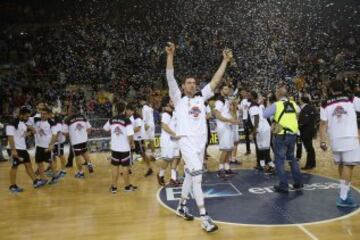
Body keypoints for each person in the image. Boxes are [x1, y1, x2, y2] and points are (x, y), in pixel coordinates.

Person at [166, 42, 233, 232]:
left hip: (200, 144)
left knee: (189, 174)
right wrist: (170, 55)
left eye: (194, 83)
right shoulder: (179, 99)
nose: (192, 84)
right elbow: (170, 77)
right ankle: (204, 217)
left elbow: (215, 81)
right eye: (188, 82)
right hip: (186, 142)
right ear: (182, 86)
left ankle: (181, 206)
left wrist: (225, 61)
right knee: (197, 177)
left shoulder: (200, 98)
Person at [319, 80, 360, 208]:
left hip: (335, 139)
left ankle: (345, 192)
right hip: (349, 137)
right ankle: (343, 197)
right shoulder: (351, 99)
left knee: (342, 164)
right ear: (344, 88)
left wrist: (323, 141)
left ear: (331, 89)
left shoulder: (324, 103)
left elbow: (322, 124)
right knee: (349, 165)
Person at [263, 86, 303, 193]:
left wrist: (269, 105)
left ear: (279, 94)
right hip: (293, 134)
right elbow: (299, 113)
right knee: (291, 158)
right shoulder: (293, 104)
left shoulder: (277, 105)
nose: (275, 94)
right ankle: (298, 183)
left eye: (276, 92)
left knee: (279, 161)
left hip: (281, 135)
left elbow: (264, 114)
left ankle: (283, 185)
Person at [6, 107, 47, 192]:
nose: (28, 118)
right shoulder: (12, 124)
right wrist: (13, 150)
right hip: (14, 148)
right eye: (26, 116)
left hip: (22, 148)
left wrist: (32, 132)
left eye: (28, 116)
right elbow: (10, 137)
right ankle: (12, 186)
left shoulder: (23, 124)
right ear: (20, 115)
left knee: (28, 164)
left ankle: (35, 181)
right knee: (14, 167)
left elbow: (22, 135)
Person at [103, 102, 137, 193]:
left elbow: (105, 128)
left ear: (116, 109)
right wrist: (132, 143)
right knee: (125, 168)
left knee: (115, 168)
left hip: (114, 147)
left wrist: (114, 133)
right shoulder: (126, 120)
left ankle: (114, 188)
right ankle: (127, 187)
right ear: (124, 109)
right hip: (124, 148)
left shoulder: (112, 119)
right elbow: (130, 134)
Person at [214, 84, 239, 178]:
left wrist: (234, 107)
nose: (227, 90)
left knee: (229, 149)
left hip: (229, 127)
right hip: (223, 127)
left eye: (228, 88)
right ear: (221, 90)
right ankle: (220, 169)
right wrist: (230, 120)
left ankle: (227, 168)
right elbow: (217, 115)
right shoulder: (219, 101)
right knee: (225, 149)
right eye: (225, 88)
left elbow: (231, 112)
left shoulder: (226, 100)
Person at [63, 106, 94, 178]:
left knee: (77, 157)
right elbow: (89, 128)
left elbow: (64, 133)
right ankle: (89, 165)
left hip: (75, 140)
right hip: (84, 139)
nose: (67, 112)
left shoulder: (67, 119)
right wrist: (84, 134)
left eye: (68, 111)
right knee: (85, 152)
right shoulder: (83, 117)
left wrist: (70, 135)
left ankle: (81, 172)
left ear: (70, 112)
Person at [248, 91, 274, 174]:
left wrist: (254, 131)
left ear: (252, 97)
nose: (248, 96)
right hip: (263, 129)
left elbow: (256, 119)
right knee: (261, 148)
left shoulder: (253, 107)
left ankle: (271, 166)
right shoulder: (257, 106)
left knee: (265, 149)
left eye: (249, 95)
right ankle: (263, 165)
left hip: (262, 129)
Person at [157, 96, 181, 186]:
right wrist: (173, 133)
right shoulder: (165, 115)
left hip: (175, 140)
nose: (174, 102)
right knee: (167, 160)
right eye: (172, 101)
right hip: (167, 141)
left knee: (176, 158)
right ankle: (160, 175)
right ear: (167, 103)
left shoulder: (174, 113)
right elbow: (164, 126)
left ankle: (173, 178)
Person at [32, 107, 60, 185]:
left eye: (44, 114)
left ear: (48, 115)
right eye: (41, 114)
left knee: (50, 161)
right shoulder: (37, 122)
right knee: (39, 162)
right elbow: (29, 124)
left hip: (47, 146)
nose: (42, 115)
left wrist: (51, 145)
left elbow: (55, 135)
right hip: (38, 146)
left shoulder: (51, 123)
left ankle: (55, 176)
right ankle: (43, 178)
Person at [298, 95, 317, 169]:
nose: (299, 100)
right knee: (310, 148)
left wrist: (298, 126)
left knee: (309, 149)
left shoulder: (305, 109)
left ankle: (309, 165)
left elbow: (303, 121)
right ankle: (312, 163)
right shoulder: (312, 107)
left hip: (305, 131)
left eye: (300, 99)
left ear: (302, 100)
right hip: (311, 130)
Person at [240, 90, 251, 155]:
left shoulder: (250, 100)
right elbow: (241, 110)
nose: (243, 94)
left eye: (243, 92)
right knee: (246, 136)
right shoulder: (242, 101)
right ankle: (248, 150)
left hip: (250, 119)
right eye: (242, 93)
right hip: (245, 119)